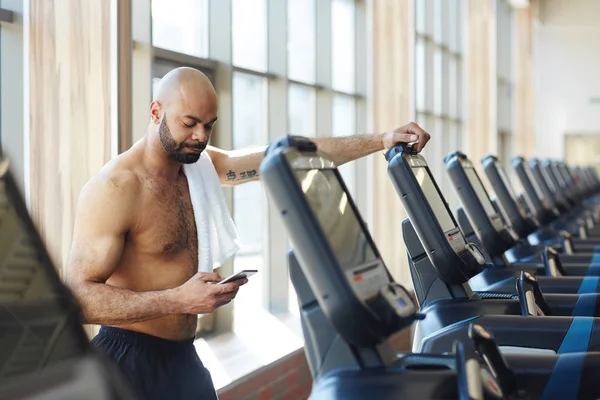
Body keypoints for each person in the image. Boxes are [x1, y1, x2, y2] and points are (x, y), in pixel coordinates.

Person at [64, 67, 431, 400]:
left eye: (209, 125)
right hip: (127, 362)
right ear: (155, 111)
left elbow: (286, 156)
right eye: (189, 122)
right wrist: (179, 300)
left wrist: (381, 140)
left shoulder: (199, 168)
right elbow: (77, 299)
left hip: (183, 357)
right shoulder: (115, 188)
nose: (200, 136)